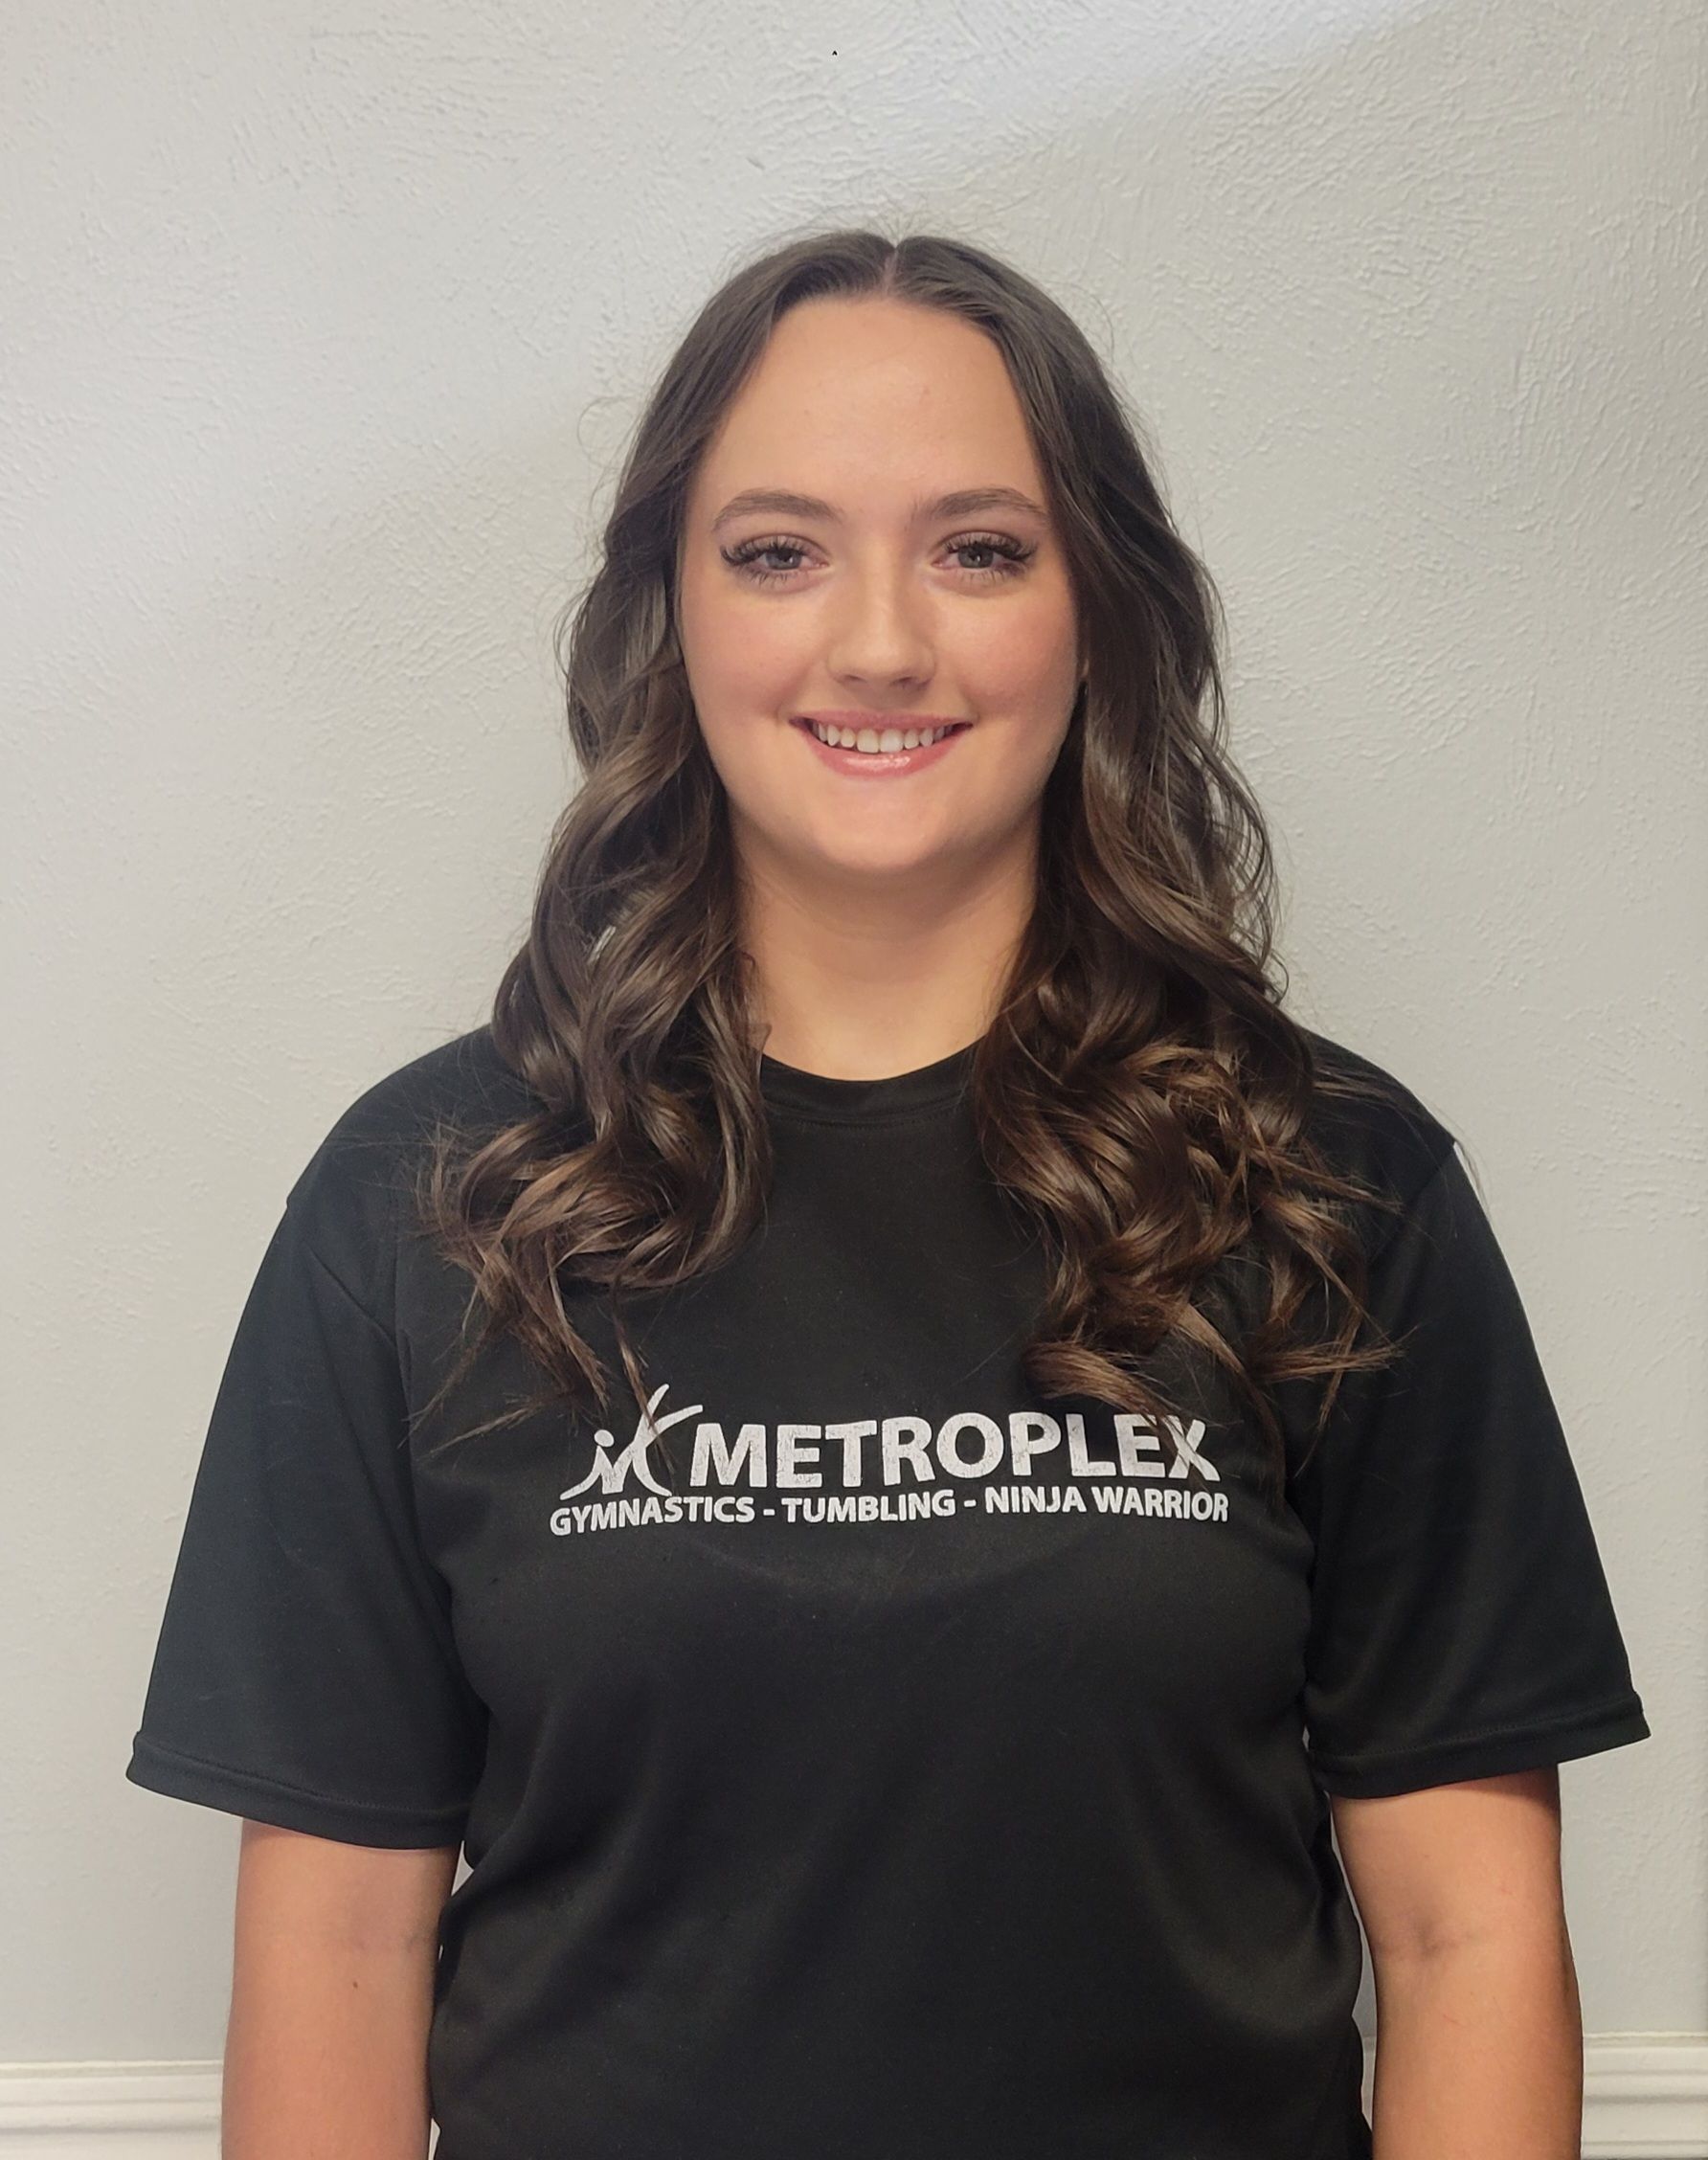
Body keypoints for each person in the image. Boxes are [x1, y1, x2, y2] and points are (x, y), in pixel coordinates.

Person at [125, 227, 1651, 2160]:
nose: (878, 643)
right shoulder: (431, 1205)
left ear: (1093, 609)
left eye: (978, 548)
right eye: (777, 550)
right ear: (667, 614)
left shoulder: (1328, 1180)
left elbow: (1466, 1935)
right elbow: (340, 1950)